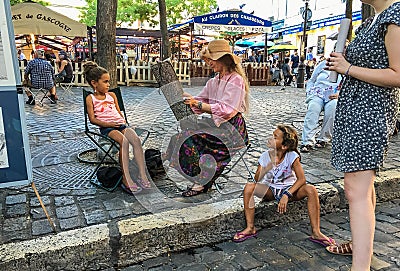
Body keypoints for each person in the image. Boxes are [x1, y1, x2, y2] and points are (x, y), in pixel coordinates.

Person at [320, 1, 400, 271]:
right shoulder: (373, 19)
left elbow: (398, 75)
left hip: (371, 113)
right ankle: (360, 244)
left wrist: (348, 67)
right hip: (357, 111)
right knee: (362, 187)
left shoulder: (396, 14)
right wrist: (343, 66)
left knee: (356, 188)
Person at [164, 39, 249, 197]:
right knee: (180, 138)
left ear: (222, 59)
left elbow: (228, 110)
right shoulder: (214, 81)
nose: (208, 63)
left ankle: (202, 182)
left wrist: (199, 105)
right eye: (207, 60)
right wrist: (183, 98)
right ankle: (201, 177)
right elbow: (201, 100)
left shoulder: (235, 79)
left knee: (190, 138)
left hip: (232, 131)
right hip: (218, 126)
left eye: (210, 59)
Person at [233, 125, 336, 247]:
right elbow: (257, 179)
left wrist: (287, 194)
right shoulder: (265, 156)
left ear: (284, 146)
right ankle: (250, 227)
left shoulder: (292, 156)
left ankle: (316, 232)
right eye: (272, 135)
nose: (270, 138)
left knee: (311, 190)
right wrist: (266, 168)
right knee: (249, 187)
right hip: (271, 190)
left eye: (275, 137)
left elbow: (302, 179)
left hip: (290, 190)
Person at [83, 61, 151, 195]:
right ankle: (126, 179)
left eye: (109, 81)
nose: (108, 84)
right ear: (94, 83)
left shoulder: (112, 95)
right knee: (124, 142)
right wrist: (108, 124)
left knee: (136, 140)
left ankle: (142, 175)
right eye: (105, 81)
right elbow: (92, 119)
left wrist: (124, 122)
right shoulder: (90, 98)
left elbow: (118, 112)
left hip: (120, 125)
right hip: (107, 128)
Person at [300, 59, 341, 153]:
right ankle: (307, 141)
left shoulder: (345, 67)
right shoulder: (323, 64)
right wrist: (309, 92)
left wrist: (340, 94)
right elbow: (312, 80)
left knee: (333, 109)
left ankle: (323, 138)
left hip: (333, 95)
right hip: (318, 93)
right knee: (313, 109)